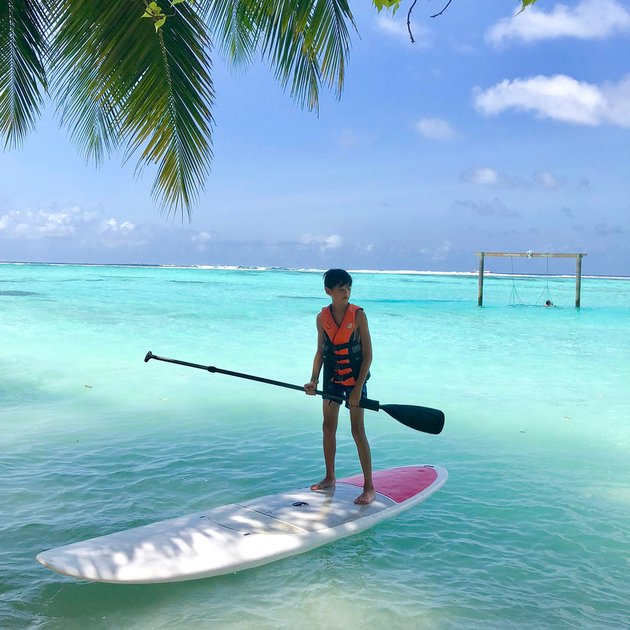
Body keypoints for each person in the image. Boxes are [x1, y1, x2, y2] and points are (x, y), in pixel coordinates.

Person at [304, 269, 374, 505]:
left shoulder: (359, 316)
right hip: (332, 378)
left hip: (356, 378)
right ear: (329, 292)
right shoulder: (321, 318)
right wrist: (313, 380)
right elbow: (320, 353)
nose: (346, 293)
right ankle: (330, 477)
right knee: (327, 427)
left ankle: (369, 487)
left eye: (348, 289)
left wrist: (357, 389)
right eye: (341, 289)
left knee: (357, 431)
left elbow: (368, 356)